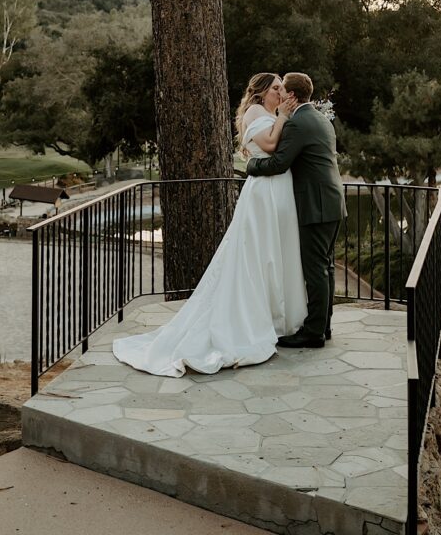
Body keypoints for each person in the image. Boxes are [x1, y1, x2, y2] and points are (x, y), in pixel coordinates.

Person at [112, 73, 307, 377]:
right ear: (260, 93)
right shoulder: (257, 112)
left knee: (276, 253)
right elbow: (269, 145)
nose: (282, 92)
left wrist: (284, 116)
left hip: (279, 190)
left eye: (283, 88)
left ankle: (277, 318)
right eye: (276, 88)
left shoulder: (273, 113)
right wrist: (283, 116)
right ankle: (251, 322)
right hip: (263, 195)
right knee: (258, 255)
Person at [246, 72, 346, 349]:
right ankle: (323, 325)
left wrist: (251, 167)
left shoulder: (298, 124)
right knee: (324, 268)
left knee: (315, 269)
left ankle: (313, 333)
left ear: (291, 96)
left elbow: (278, 163)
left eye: (282, 91)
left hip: (315, 205)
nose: (279, 95)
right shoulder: (319, 119)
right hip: (332, 202)